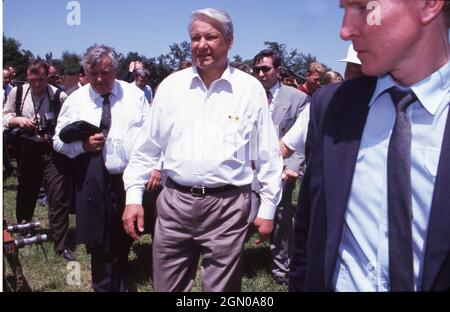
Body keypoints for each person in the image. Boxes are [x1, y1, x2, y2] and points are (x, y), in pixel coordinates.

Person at [289, 0, 450, 292]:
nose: (345, 30)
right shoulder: (332, 105)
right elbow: (309, 229)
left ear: (429, 5)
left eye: (365, 7)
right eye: (344, 10)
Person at [122, 7, 283, 292]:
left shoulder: (249, 89)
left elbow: (267, 153)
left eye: (210, 37)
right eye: (195, 38)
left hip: (229, 207)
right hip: (174, 203)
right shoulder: (171, 87)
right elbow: (147, 147)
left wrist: (268, 206)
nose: (201, 45)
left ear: (229, 41)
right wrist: (133, 196)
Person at [53, 44, 149, 291]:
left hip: (128, 179)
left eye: (105, 73)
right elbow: (57, 141)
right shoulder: (75, 100)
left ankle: (118, 278)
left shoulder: (135, 96)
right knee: (98, 239)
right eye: (93, 73)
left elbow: (149, 137)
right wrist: (83, 146)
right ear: (86, 71)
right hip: (93, 179)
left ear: (115, 70)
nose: (98, 79)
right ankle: (104, 285)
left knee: (123, 233)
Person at [3, 59, 75, 261]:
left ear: (47, 77)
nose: (37, 84)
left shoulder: (58, 95)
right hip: (28, 149)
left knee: (58, 194)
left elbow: (69, 122)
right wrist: (18, 120)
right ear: (27, 76)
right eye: (33, 79)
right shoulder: (17, 93)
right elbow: (3, 117)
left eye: (41, 79)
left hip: (52, 151)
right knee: (27, 189)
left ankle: (61, 244)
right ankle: (24, 226)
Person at [251, 49, 309, 285]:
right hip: (248, 170)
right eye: (257, 69)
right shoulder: (250, 95)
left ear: (278, 69)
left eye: (266, 68)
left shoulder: (297, 99)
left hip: (281, 171)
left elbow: (303, 138)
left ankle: (282, 269)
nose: (261, 73)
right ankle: (231, 261)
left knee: (281, 222)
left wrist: (293, 167)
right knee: (241, 216)